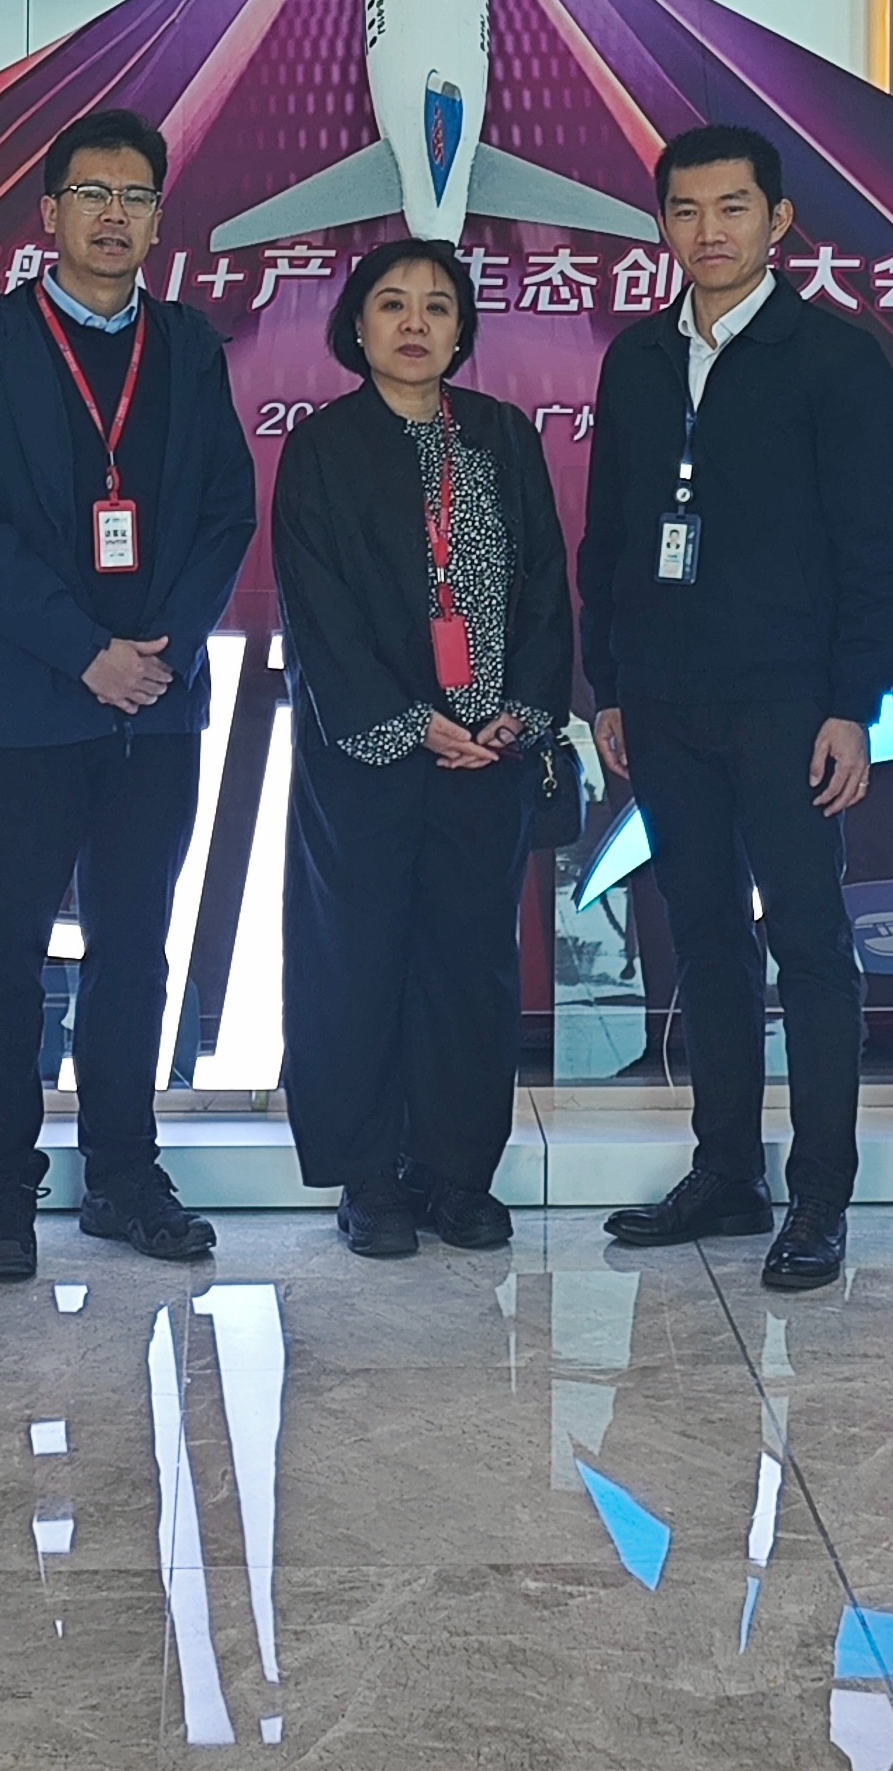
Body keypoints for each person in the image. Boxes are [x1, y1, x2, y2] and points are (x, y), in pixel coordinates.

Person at [0, 107, 258, 1283]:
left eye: (136, 196)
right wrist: (84, 650)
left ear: (159, 218)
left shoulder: (189, 345)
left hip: (153, 705)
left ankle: (123, 1171)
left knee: (136, 946)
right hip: (24, 703)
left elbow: (225, 506)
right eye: (92, 193)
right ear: (48, 211)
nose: (114, 215)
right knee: (4, 950)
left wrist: (158, 645)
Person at [576, 124, 893, 1293]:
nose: (707, 230)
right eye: (685, 209)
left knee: (808, 943)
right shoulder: (635, 358)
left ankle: (819, 1194)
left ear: (777, 221)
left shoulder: (835, 358)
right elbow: (609, 536)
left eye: (731, 208)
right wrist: (609, 686)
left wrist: (850, 705)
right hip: (664, 702)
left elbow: (877, 550)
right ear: (661, 224)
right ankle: (725, 1169)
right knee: (704, 935)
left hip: (788, 705)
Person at [270, 240, 574, 1259]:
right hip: (366, 759)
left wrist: (517, 713)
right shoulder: (322, 446)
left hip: (487, 757)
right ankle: (368, 1177)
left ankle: (456, 1174)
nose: (414, 323)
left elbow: (545, 585)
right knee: (355, 959)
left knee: (469, 967)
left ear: (461, 330)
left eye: (437, 306)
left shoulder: (500, 435)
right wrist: (407, 722)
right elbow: (317, 611)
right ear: (355, 326)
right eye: (392, 304)